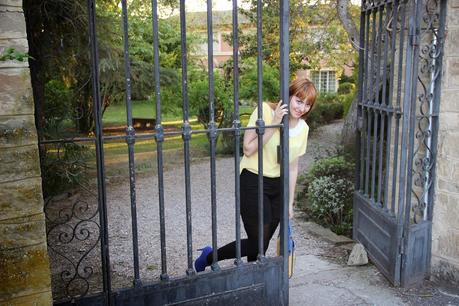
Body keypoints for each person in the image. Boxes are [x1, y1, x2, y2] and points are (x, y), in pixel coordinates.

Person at [195, 77, 317, 272]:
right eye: (298, 100)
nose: (302, 108)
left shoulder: (303, 129)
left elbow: (293, 167)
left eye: (307, 104)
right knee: (258, 243)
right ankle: (208, 257)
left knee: (262, 242)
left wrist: (290, 202)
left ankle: (253, 279)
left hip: (279, 187)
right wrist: (275, 122)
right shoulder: (265, 112)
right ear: (288, 96)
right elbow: (248, 148)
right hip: (253, 179)